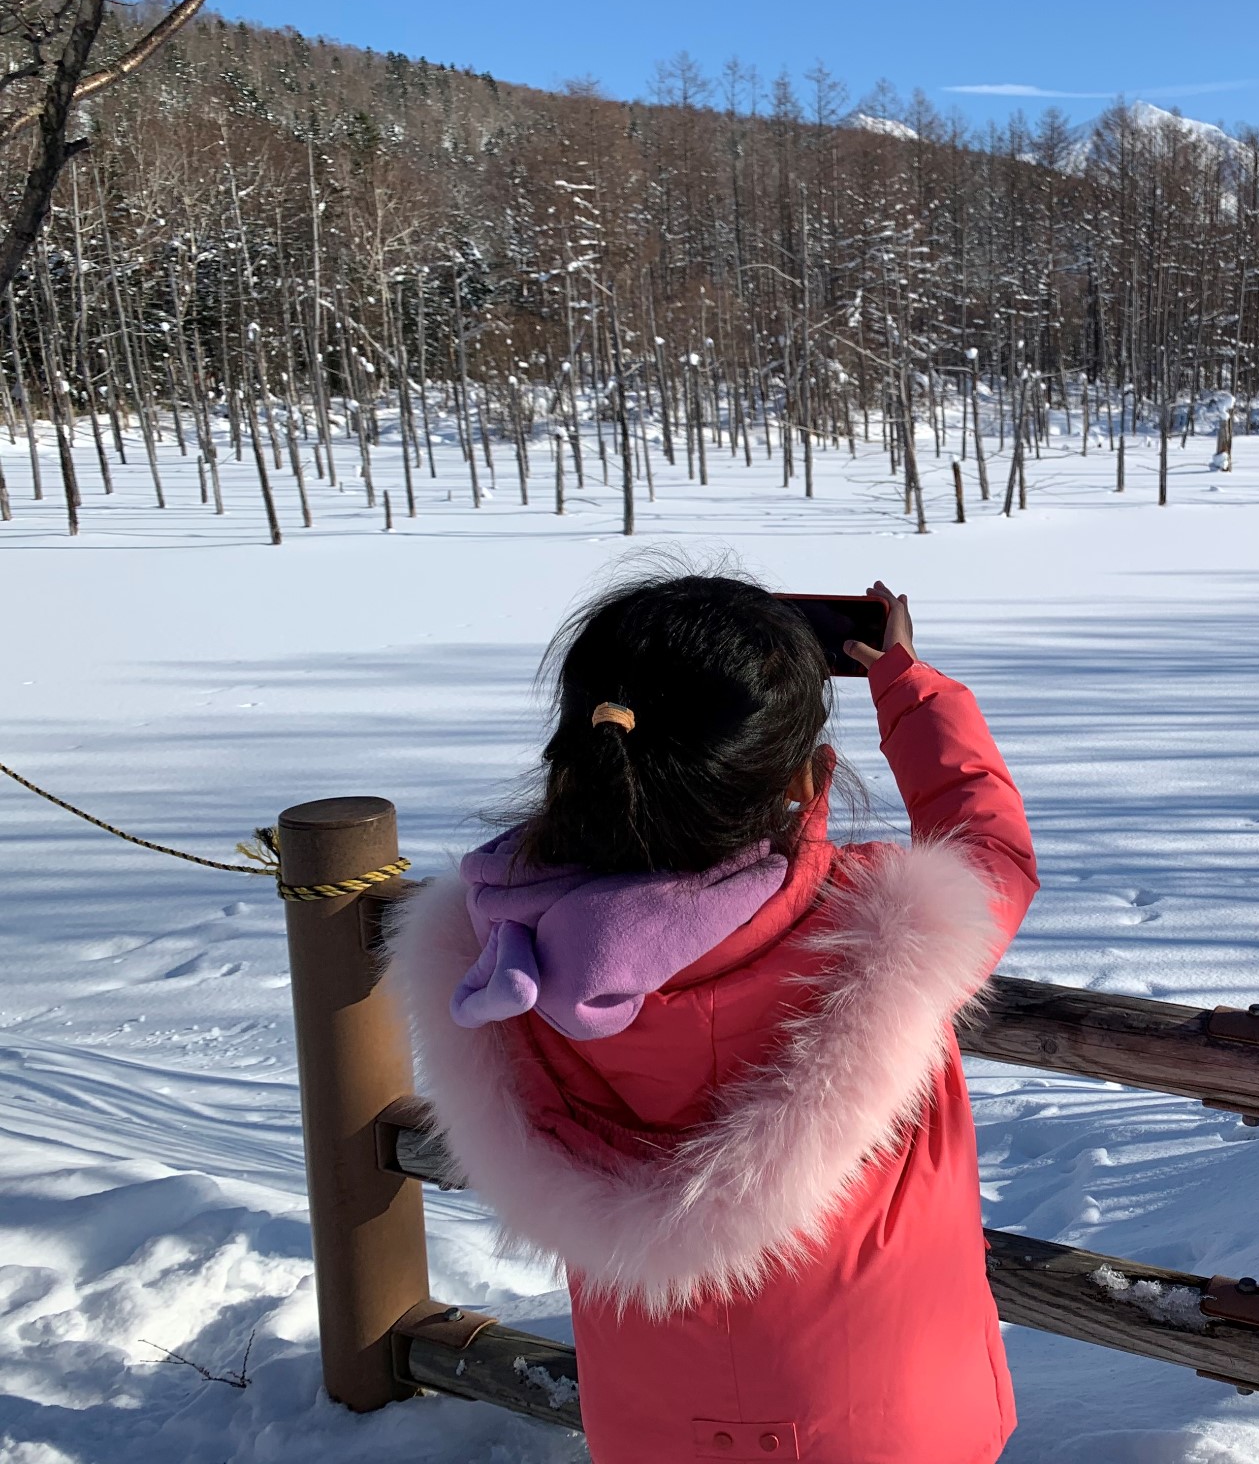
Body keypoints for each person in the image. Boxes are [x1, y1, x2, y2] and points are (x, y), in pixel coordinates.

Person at [387, 574, 1036, 1464]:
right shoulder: (878, 926)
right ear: (814, 779)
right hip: (897, 1423)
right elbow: (987, 847)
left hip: (654, 1428)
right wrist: (909, 685)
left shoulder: (502, 955)